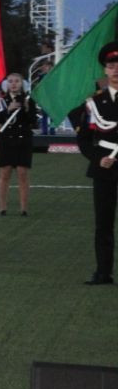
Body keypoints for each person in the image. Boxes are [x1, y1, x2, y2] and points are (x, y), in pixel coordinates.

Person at [77, 41, 118, 285]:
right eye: (111, 65)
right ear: (105, 70)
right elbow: (83, 139)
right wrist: (96, 158)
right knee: (103, 223)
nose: (115, 69)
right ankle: (103, 272)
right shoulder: (94, 102)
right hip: (104, 169)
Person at [0, 73, 37, 216]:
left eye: (17, 81)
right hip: (6, 140)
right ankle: (2, 207)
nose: (14, 84)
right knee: (5, 173)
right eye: (10, 81)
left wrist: (27, 109)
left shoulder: (28, 100)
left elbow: (33, 121)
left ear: (22, 84)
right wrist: (7, 110)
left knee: (22, 173)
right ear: (6, 84)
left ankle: (24, 208)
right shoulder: (1, 100)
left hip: (23, 140)